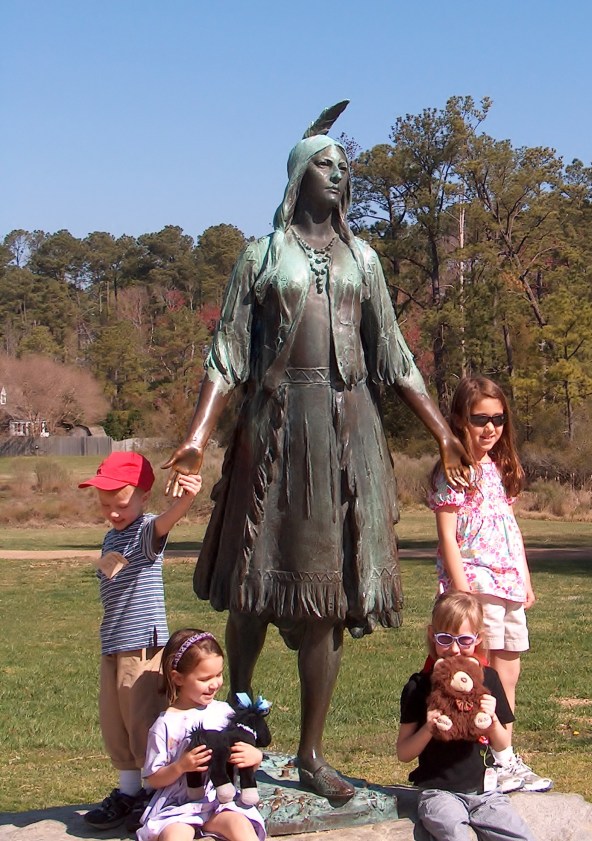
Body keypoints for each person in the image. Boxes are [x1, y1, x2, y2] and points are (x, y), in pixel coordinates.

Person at [163, 103, 471, 802]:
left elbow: (393, 354)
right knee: (253, 585)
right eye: (327, 164)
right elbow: (227, 354)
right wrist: (194, 435)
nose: (340, 174)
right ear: (300, 174)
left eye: (345, 167)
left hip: (345, 433)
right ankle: (238, 710)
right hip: (275, 430)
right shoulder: (262, 256)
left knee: (325, 601)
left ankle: (309, 752)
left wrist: (442, 431)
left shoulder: (363, 259)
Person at [427, 376, 552, 792]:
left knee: (507, 676)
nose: (490, 428)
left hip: (509, 584)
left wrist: (525, 576)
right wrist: (463, 594)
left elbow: (508, 526)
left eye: (498, 419)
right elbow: (448, 536)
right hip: (477, 584)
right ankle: (472, 759)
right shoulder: (454, 471)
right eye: (480, 418)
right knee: (476, 677)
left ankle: (504, 758)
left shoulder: (500, 468)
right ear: (460, 419)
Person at [79, 452, 203, 831]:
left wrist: (186, 498)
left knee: (141, 721)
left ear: (142, 497)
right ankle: (128, 791)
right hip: (114, 642)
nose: (113, 513)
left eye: (120, 505)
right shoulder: (111, 536)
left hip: (143, 645)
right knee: (115, 720)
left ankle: (153, 794)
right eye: (104, 505)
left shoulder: (146, 530)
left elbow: (169, 520)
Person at [397, 591, 536, 841]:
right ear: (432, 635)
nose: (453, 649)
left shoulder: (489, 679)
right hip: (439, 792)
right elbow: (404, 753)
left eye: (463, 640)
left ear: (478, 638)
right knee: (455, 834)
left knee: (520, 836)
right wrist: (428, 728)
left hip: (485, 793)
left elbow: (503, 744)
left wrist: (492, 720)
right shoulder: (419, 686)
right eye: (444, 639)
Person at [136, 629, 266, 841]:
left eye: (219, 674)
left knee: (241, 826)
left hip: (221, 802)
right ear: (178, 678)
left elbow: (237, 758)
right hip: (179, 807)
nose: (215, 683)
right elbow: (154, 778)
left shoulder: (225, 713)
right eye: (205, 678)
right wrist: (181, 766)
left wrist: (254, 757)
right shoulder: (165, 724)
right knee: (174, 837)